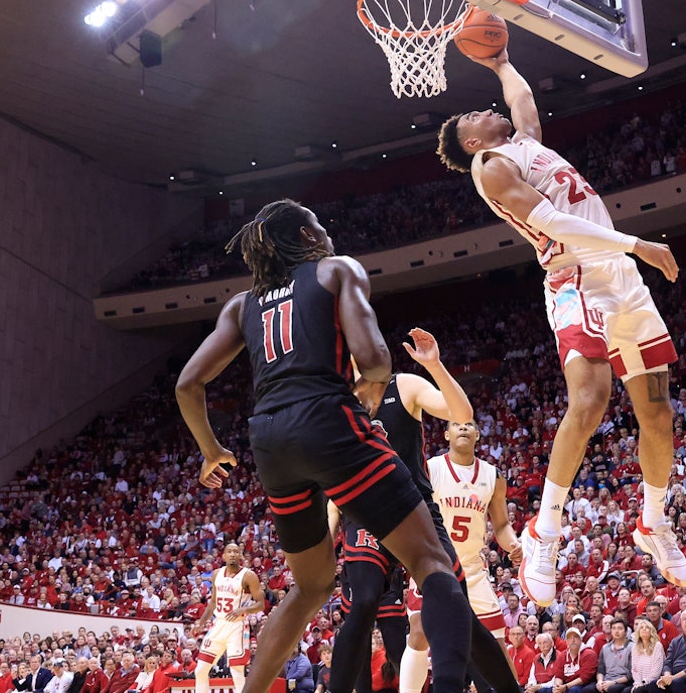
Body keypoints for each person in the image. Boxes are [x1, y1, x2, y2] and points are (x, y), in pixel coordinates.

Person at [175, 200, 481, 693]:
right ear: (305, 232)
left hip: (269, 439)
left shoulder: (241, 303)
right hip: (325, 419)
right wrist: (368, 389)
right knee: (430, 560)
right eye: (320, 224)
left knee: (311, 586)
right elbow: (376, 358)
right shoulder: (335, 270)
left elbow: (187, 385)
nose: (327, 231)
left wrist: (211, 450)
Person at [438, 49, 686, 605]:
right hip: (576, 277)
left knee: (656, 411)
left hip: (620, 276)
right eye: (470, 119)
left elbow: (522, 100)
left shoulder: (523, 142)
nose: (482, 111)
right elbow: (549, 220)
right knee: (590, 399)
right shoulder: (490, 167)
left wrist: (504, 61)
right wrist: (636, 242)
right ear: (472, 144)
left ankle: (652, 522)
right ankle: (544, 531)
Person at [331, 329, 516, 693]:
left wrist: (434, 365)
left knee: (453, 603)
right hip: (366, 512)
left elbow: (461, 412)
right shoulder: (338, 405)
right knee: (365, 600)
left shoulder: (405, 386)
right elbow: (333, 482)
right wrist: (326, 531)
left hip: (413, 505)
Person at [402, 420, 524, 693]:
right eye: (457, 424)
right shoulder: (430, 468)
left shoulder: (493, 476)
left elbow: (502, 525)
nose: (464, 428)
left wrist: (513, 543)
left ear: (478, 434)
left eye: (469, 424)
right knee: (420, 633)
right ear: (446, 434)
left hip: (472, 568)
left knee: (497, 643)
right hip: (433, 564)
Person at [192, 544, 264, 693]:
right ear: (223, 556)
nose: (232, 554)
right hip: (218, 625)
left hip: (237, 626)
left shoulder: (248, 576)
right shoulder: (217, 574)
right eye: (229, 552)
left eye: (236, 552)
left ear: (240, 556)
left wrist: (244, 609)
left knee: (236, 671)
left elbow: (261, 604)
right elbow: (212, 604)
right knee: (200, 670)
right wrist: (201, 622)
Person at [582, 618, 631, 693]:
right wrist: (600, 681)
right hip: (606, 680)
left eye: (620, 628)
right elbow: (601, 669)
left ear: (625, 631)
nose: (616, 631)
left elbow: (631, 674)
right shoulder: (605, 648)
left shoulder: (631, 647)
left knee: (612, 689)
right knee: (587, 690)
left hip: (623, 681)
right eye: (614, 628)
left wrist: (614, 682)